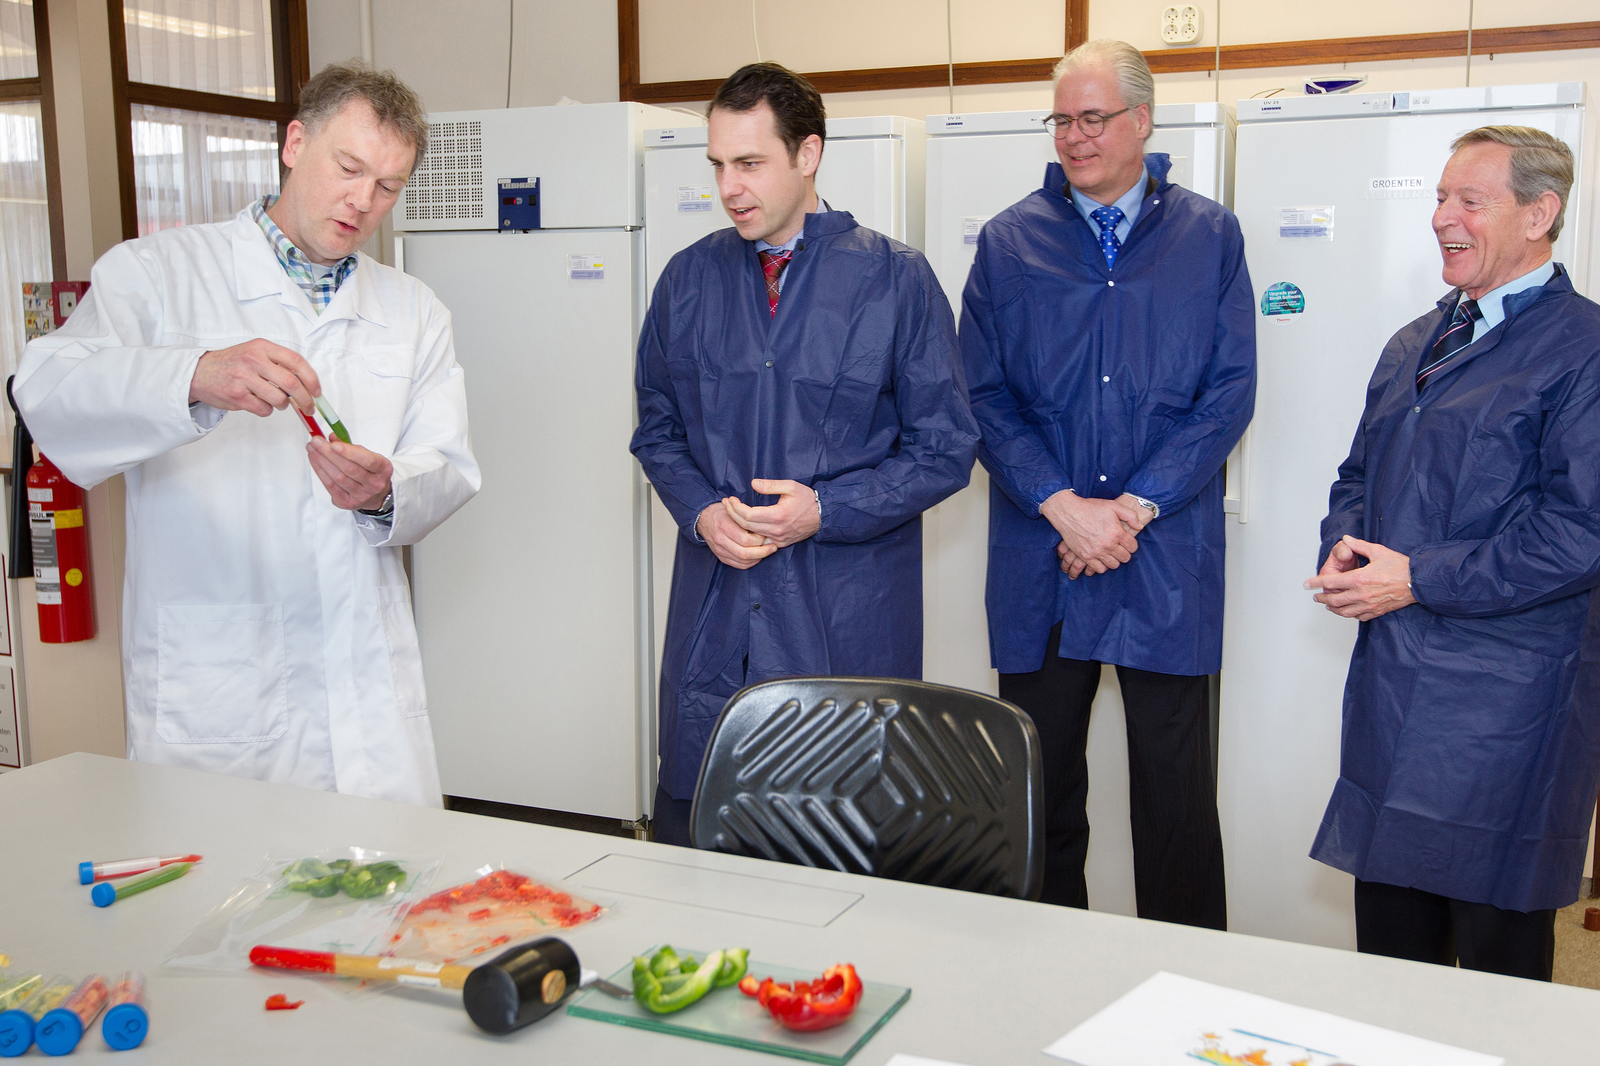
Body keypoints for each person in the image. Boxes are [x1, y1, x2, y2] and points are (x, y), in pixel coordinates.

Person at [15, 62, 479, 807]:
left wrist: (388, 490)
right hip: (218, 686)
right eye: (348, 167)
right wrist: (192, 376)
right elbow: (48, 393)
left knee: (383, 899)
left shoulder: (413, 308)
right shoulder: (157, 273)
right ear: (296, 143)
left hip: (363, 688)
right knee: (219, 907)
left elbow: (449, 465)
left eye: (388, 186)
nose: (363, 201)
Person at [631, 62, 979, 846]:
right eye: (718, 165)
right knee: (703, 842)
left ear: (809, 153)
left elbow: (946, 448)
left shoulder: (897, 281)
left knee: (843, 840)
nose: (729, 187)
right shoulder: (687, 280)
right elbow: (657, 428)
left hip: (843, 613)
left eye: (749, 163)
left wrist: (828, 509)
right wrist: (698, 513)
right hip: (716, 609)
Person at [961, 39, 1255, 924]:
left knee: (1176, 804)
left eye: (1093, 118)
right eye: (1061, 119)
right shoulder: (1010, 242)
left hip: (1164, 557)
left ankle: (1188, 996)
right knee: (1040, 799)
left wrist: (1127, 509)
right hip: (1040, 556)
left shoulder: (1208, 236)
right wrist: (1063, 505)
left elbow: (1228, 392)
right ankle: (1046, 987)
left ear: (1141, 121)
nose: (1075, 137)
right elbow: (980, 393)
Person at [1305, 126, 1600, 981]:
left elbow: (1579, 532)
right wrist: (1347, 554)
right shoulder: (1416, 342)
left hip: (1508, 705)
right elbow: (1358, 474)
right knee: (1391, 948)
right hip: (1395, 680)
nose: (1440, 218)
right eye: (1440, 198)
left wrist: (1418, 576)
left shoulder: (1584, 348)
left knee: (1497, 957)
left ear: (1540, 213)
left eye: (1468, 200)